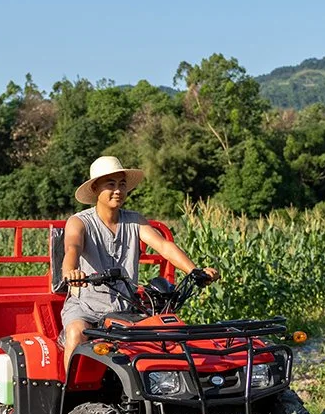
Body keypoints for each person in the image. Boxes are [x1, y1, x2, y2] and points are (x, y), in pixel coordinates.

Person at [61, 156, 219, 372]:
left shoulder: (135, 220)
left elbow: (164, 246)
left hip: (126, 308)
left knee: (164, 338)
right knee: (76, 333)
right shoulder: (80, 221)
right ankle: (70, 397)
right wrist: (71, 272)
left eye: (122, 185)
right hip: (86, 307)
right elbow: (73, 248)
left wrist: (195, 271)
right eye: (111, 184)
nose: (118, 190)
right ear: (96, 188)